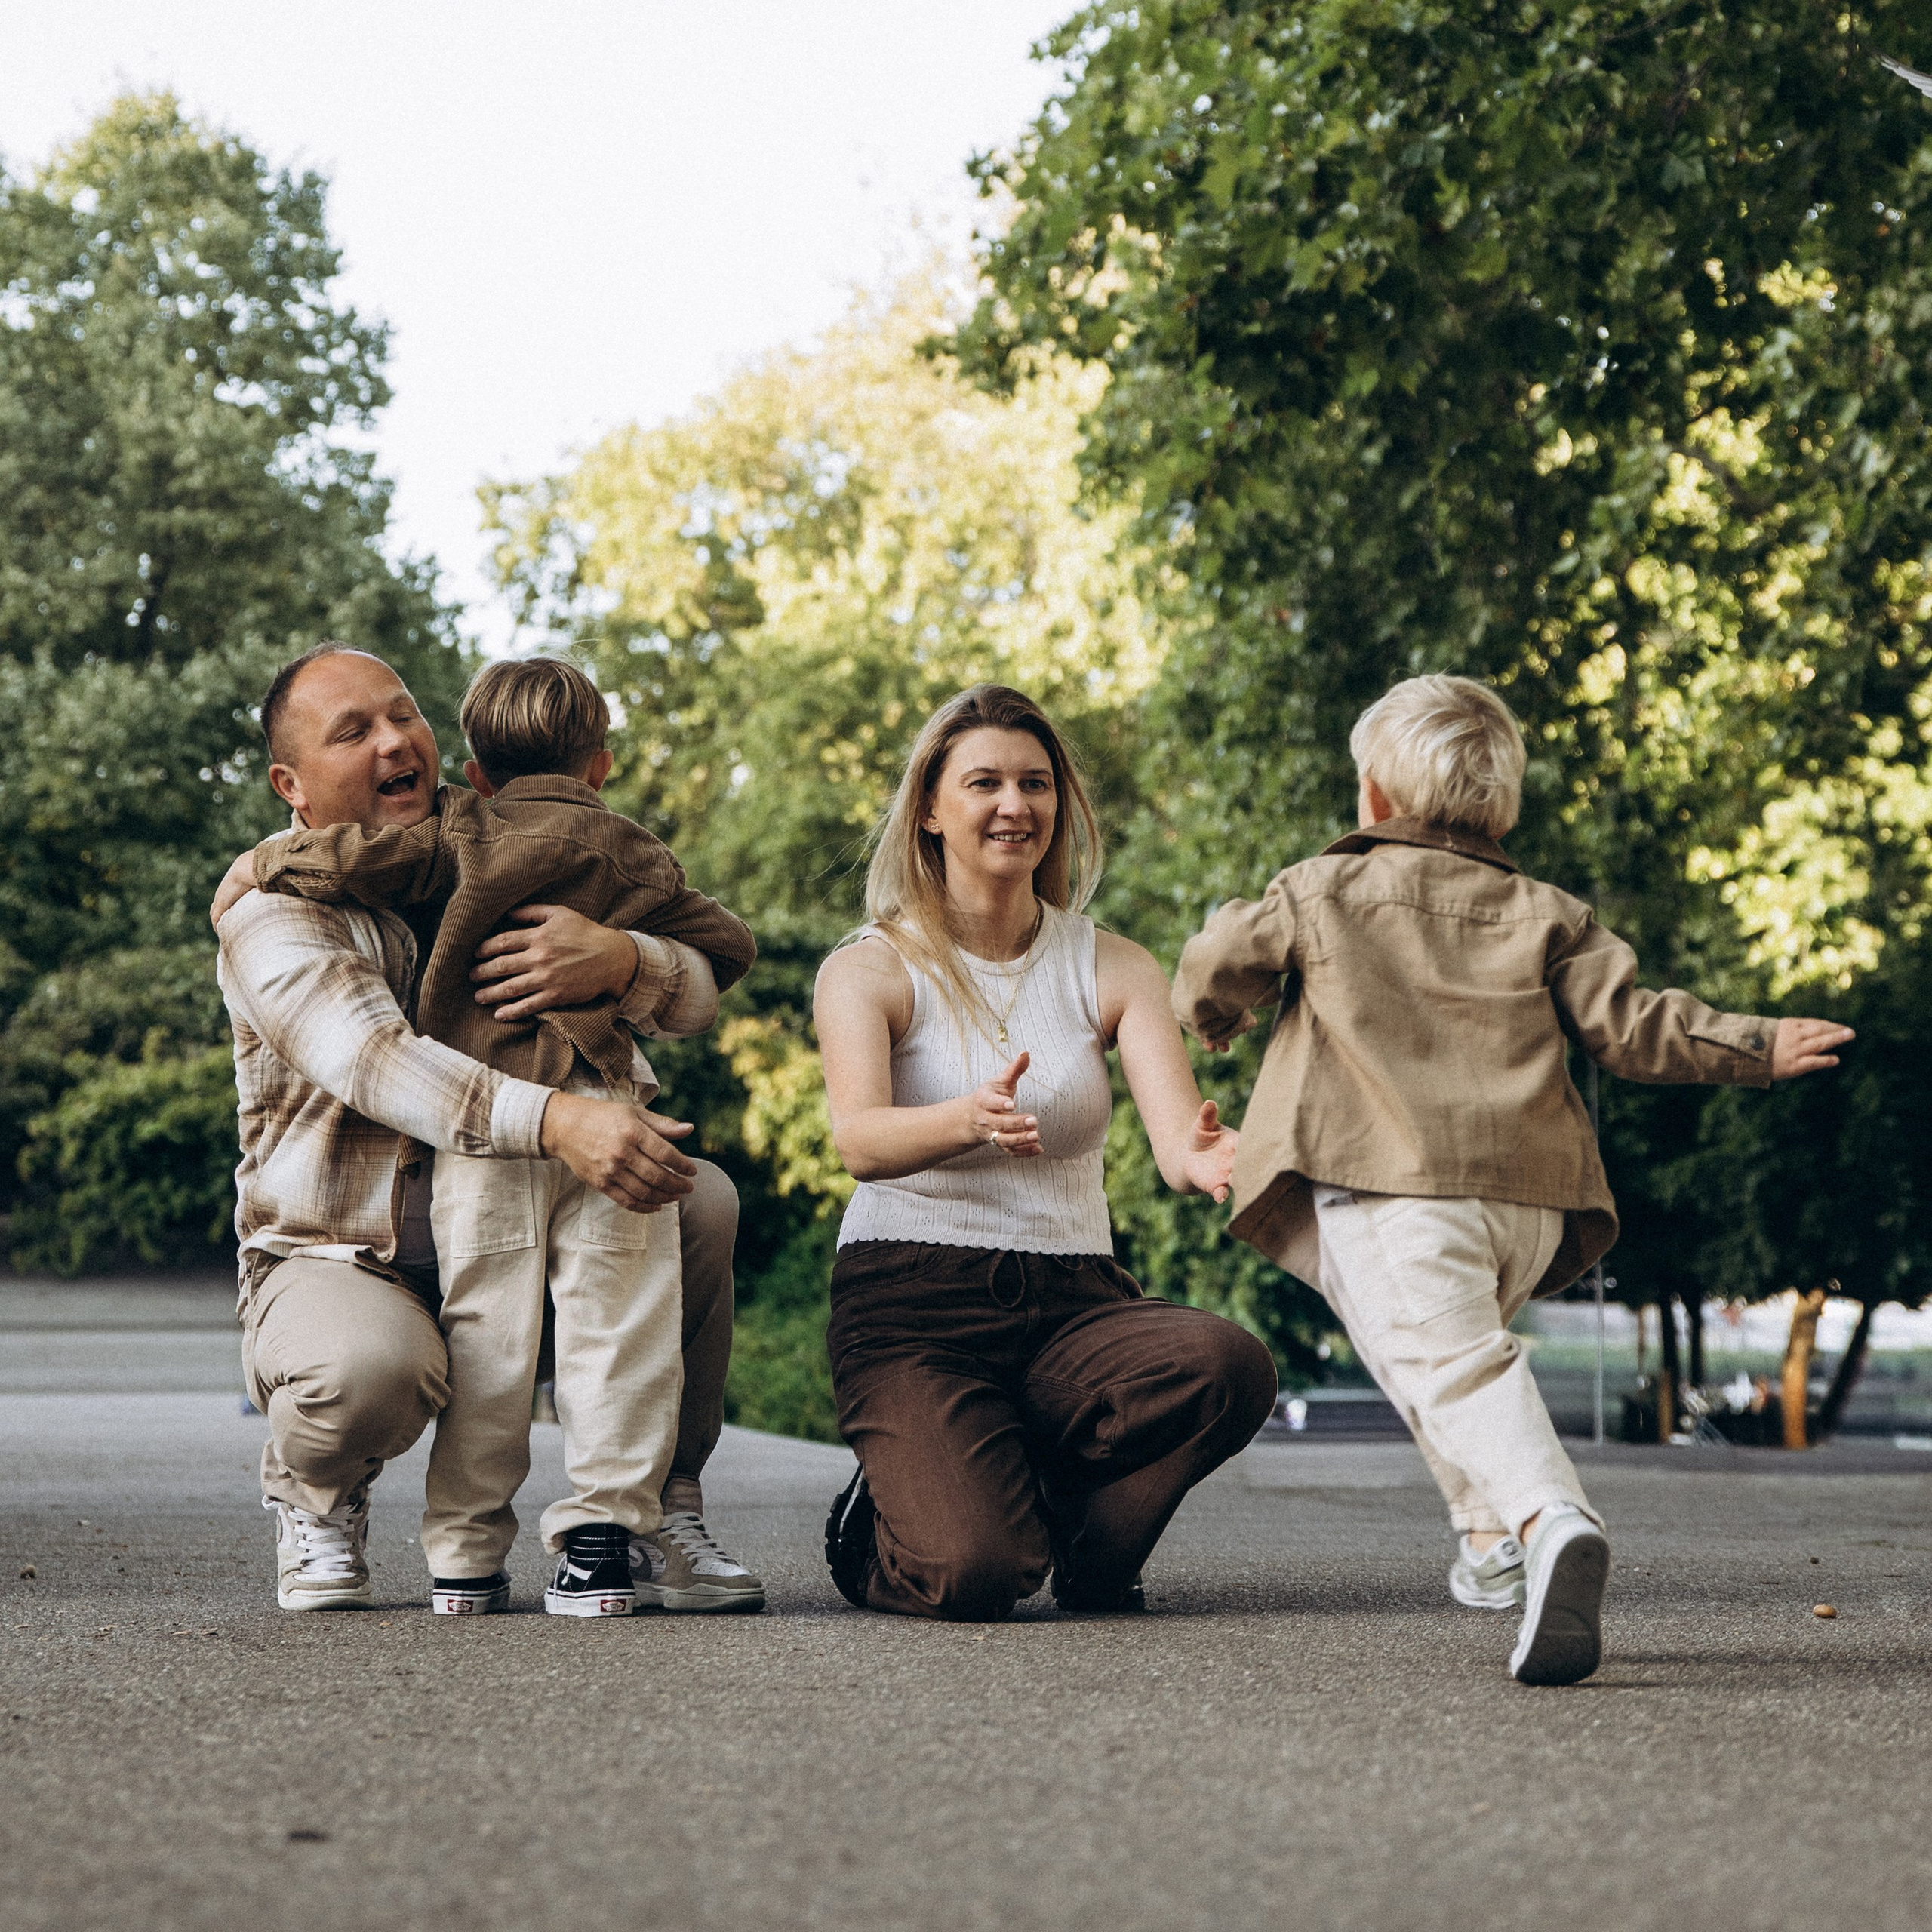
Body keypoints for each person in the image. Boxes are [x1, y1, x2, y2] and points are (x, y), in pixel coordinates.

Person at [1171, 673, 1855, 1684]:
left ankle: (1548, 1519)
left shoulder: (1321, 889)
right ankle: (1491, 1544)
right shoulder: (1549, 913)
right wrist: (1753, 1043)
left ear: (1372, 799)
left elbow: (1211, 967)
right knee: (1436, 1358)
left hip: (1395, 1187)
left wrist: (1217, 1020)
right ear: (1502, 805)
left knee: (1452, 1365)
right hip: (1528, 1204)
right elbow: (1635, 1027)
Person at [211, 643, 764, 1615]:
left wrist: (622, 957)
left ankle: (652, 1511)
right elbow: (375, 1060)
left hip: (530, 1207)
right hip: (349, 1255)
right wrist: (563, 1120)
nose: (395, 740)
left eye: (404, 715)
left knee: (699, 1198)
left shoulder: (491, 841)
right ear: (289, 784)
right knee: (365, 1371)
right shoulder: (273, 909)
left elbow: (700, 988)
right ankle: (317, 1496)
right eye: (355, 730)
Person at [814, 684, 1278, 1621]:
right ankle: (879, 1528)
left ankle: (1089, 1550)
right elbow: (859, 1139)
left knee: (1228, 1367)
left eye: (1034, 783)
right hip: (912, 1306)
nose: (1013, 805)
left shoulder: (1112, 964)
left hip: (1074, 1302)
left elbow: (1178, 1144)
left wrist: (1219, 1157)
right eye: (982, 782)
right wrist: (965, 1118)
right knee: (975, 1574)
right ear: (932, 812)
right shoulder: (867, 967)